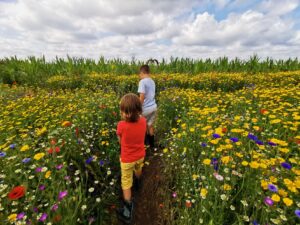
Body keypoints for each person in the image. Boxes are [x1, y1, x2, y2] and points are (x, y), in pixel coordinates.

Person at [116, 93, 146, 224]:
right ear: (139, 110)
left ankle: (127, 211)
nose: (122, 113)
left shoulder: (121, 125)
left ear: (125, 113)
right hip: (140, 155)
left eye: (123, 111)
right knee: (138, 168)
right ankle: (139, 181)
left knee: (126, 182)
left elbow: (120, 141)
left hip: (127, 159)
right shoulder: (143, 121)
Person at [138, 65, 157, 148]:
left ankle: (144, 145)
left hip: (145, 108)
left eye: (139, 74)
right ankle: (152, 146)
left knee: (141, 126)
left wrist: (137, 108)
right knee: (150, 126)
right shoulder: (152, 81)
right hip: (154, 107)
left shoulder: (142, 82)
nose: (139, 76)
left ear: (142, 72)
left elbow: (142, 96)